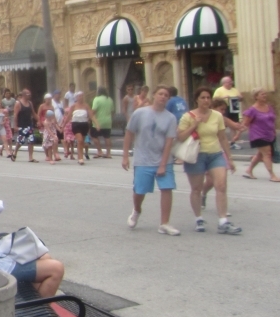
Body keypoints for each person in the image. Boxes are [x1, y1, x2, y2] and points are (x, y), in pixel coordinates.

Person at [177, 87, 242, 234]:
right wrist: (194, 124)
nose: (206, 100)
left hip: (215, 154)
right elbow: (180, 137)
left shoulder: (217, 116)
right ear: (197, 99)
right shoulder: (188, 116)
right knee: (197, 189)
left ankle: (223, 221)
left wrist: (229, 158)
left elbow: (223, 138)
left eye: (208, 97)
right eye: (203, 98)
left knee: (221, 185)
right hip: (196, 155)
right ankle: (198, 218)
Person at [122, 86, 180, 235]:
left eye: (166, 95)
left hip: (163, 159)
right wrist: (125, 156)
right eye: (160, 93)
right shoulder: (140, 113)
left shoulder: (170, 118)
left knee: (167, 188)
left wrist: (162, 164)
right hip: (143, 159)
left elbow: (169, 142)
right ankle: (136, 210)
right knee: (139, 191)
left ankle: (164, 223)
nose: (163, 97)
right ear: (154, 95)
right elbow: (129, 134)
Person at [241, 89, 278, 181]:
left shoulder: (269, 107)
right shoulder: (252, 110)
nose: (264, 96)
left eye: (265, 94)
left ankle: (249, 170)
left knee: (260, 155)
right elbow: (245, 123)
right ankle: (272, 175)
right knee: (267, 154)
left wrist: (274, 131)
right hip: (258, 135)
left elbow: (272, 120)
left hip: (269, 134)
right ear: (256, 96)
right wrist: (237, 135)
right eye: (262, 94)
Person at [213, 76, 243, 149]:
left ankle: (233, 142)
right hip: (224, 108)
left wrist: (240, 97)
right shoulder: (219, 90)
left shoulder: (234, 90)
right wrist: (224, 97)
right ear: (224, 83)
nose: (230, 83)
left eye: (231, 82)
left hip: (234, 108)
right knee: (222, 125)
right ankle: (220, 141)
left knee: (234, 126)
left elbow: (241, 98)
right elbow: (214, 99)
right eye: (228, 82)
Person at [10, 89, 37, 162]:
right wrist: (15, 126)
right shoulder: (18, 103)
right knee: (20, 141)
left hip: (29, 124)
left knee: (31, 141)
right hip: (22, 125)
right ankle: (15, 152)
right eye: (28, 94)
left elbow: (33, 113)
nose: (30, 96)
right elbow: (15, 115)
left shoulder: (30, 103)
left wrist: (39, 120)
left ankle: (30, 157)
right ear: (24, 95)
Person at [69, 93, 94, 165]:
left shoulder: (86, 105)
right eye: (79, 96)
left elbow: (91, 115)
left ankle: (79, 156)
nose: (81, 97)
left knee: (81, 142)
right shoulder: (73, 106)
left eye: (82, 96)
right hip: (76, 124)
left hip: (84, 125)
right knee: (79, 140)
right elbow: (68, 116)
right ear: (76, 97)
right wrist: (63, 125)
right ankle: (81, 158)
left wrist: (97, 124)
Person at [91, 86, 114, 159]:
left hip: (98, 121)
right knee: (107, 137)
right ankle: (108, 153)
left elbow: (93, 111)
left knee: (94, 135)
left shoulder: (96, 99)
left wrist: (90, 117)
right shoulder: (110, 99)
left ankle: (99, 151)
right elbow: (112, 111)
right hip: (108, 121)